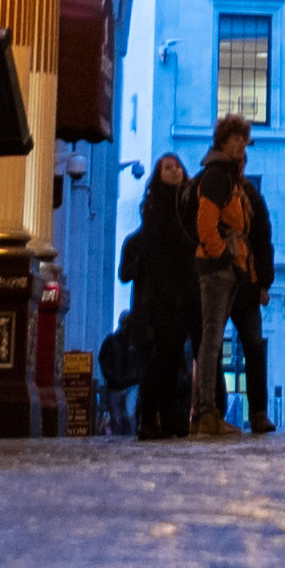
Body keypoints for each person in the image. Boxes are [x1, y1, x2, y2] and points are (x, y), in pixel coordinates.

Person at [113, 146, 199, 440]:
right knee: (161, 362)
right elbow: (143, 266)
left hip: (182, 297)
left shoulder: (188, 208)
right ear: (158, 177)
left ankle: (170, 418)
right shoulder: (154, 215)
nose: (175, 171)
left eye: (177, 166)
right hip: (157, 303)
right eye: (167, 168)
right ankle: (150, 418)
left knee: (173, 360)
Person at [193, 129, 273, 438]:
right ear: (223, 143)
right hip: (223, 271)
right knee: (213, 340)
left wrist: (261, 279)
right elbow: (205, 224)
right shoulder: (216, 177)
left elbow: (261, 236)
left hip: (242, 277)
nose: (242, 146)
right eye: (236, 140)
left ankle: (231, 413)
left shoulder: (241, 188)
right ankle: (206, 412)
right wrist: (222, 255)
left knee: (240, 344)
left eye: (245, 142)